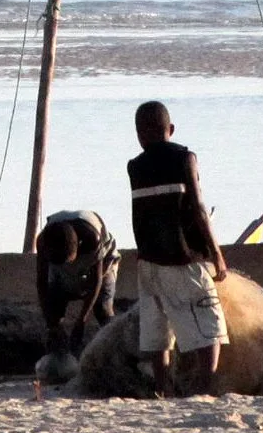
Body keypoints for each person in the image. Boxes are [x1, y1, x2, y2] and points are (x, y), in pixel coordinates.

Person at [128, 100, 229, 397]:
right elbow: (198, 208)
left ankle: (163, 389)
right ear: (170, 129)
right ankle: (205, 387)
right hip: (183, 258)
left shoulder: (135, 166)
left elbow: (142, 214)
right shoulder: (184, 157)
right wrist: (216, 255)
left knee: (157, 332)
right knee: (208, 324)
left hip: (147, 262)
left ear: (139, 134)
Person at [36, 208, 120, 356]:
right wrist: (51, 324)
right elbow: (42, 282)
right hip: (61, 273)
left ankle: (117, 353)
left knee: (102, 310)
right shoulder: (43, 241)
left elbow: (96, 281)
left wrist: (82, 320)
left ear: (78, 246)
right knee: (54, 308)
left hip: (103, 264)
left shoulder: (91, 238)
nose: (66, 266)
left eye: (67, 261)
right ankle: (59, 361)